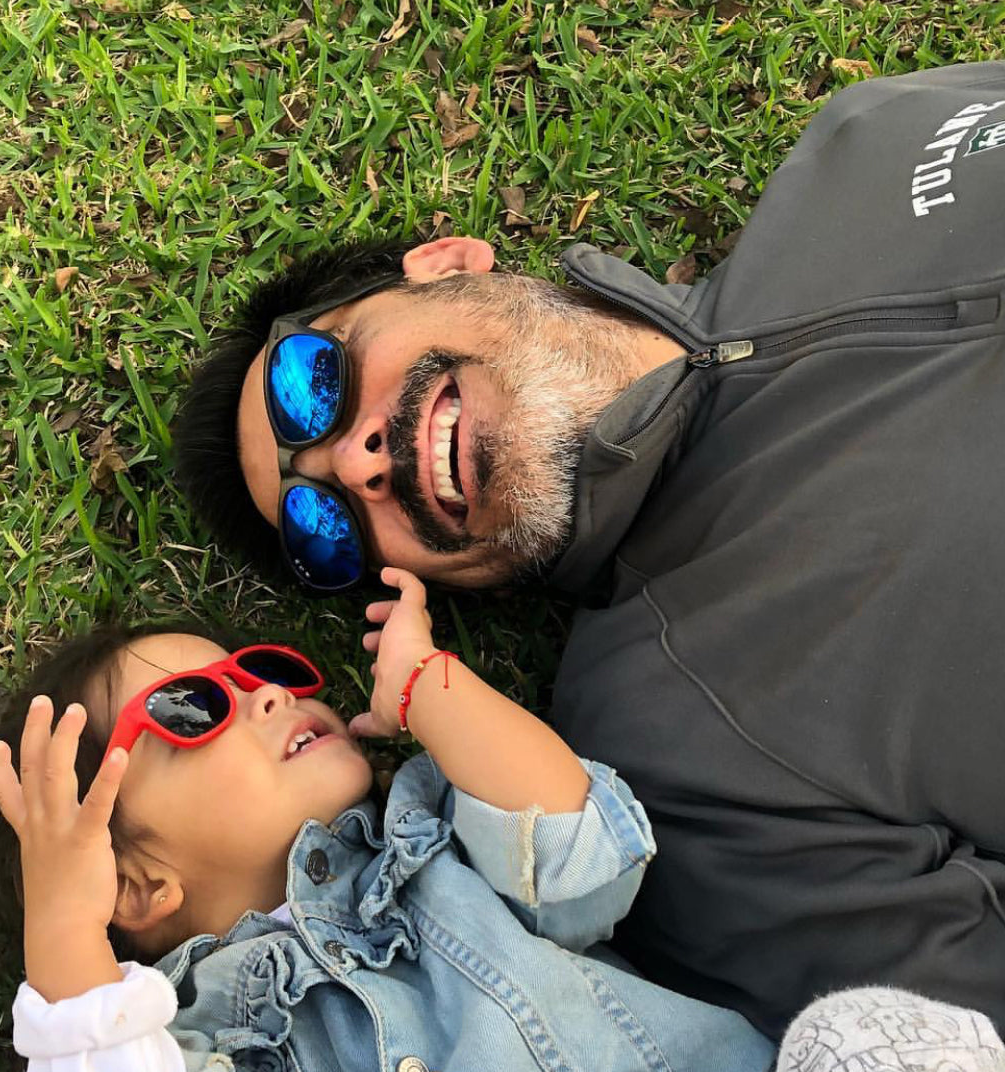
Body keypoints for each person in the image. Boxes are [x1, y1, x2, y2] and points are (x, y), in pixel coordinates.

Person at [173, 58, 1005, 1041]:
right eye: (324, 527)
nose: (357, 465)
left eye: (312, 381)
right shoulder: (684, 776)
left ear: (444, 262)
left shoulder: (874, 134)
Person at [0, 569, 777, 1072]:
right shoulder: (196, 1043)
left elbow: (583, 856)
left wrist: (427, 684)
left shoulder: (430, 844)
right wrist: (63, 922)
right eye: (193, 707)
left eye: (258, 669)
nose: (270, 693)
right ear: (135, 885)